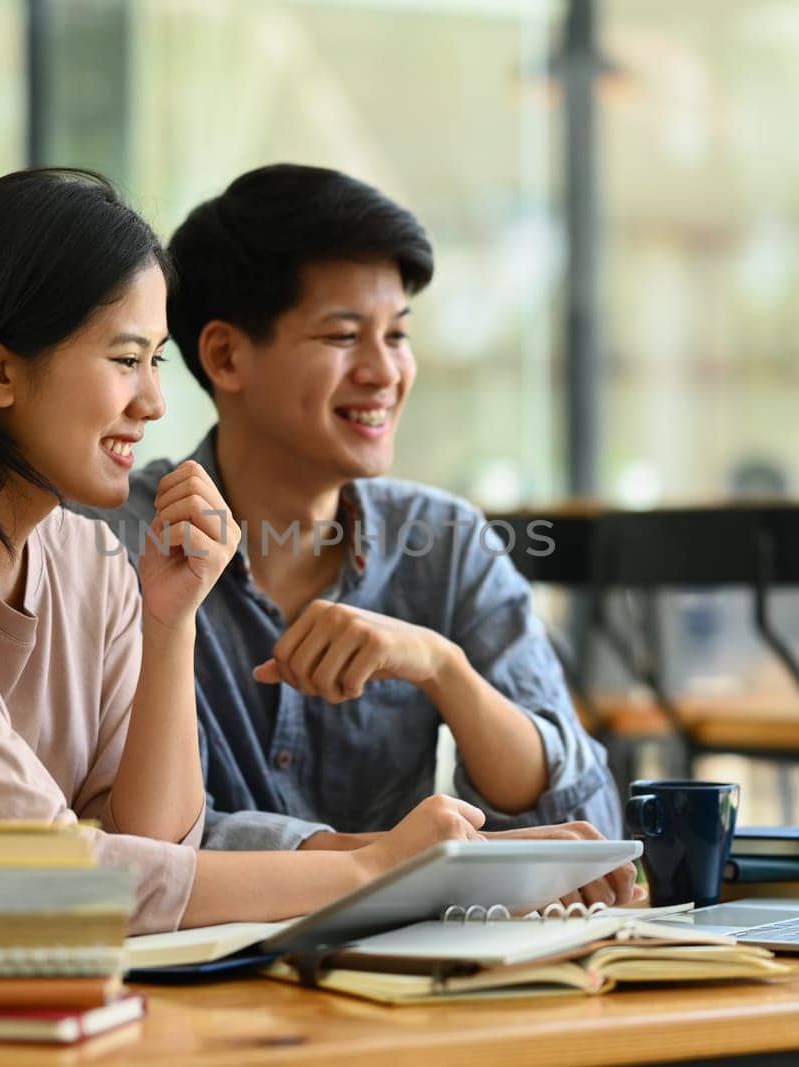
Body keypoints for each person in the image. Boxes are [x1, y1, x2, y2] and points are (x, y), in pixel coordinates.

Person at [0, 168, 547, 934]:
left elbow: (152, 850)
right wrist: (363, 872)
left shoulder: (88, 559)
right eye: (125, 359)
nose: (152, 401)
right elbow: (60, 875)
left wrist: (171, 621)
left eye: (157, 362)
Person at [93, 164, 628, 888]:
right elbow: (130, 839)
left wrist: (442, 667)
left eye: (397, 335)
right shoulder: (110, 542)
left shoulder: (445, 543)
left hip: (403, 982)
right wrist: (389, 860)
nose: (385, 371)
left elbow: (589, 820)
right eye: (344, 336)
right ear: (225, 355)